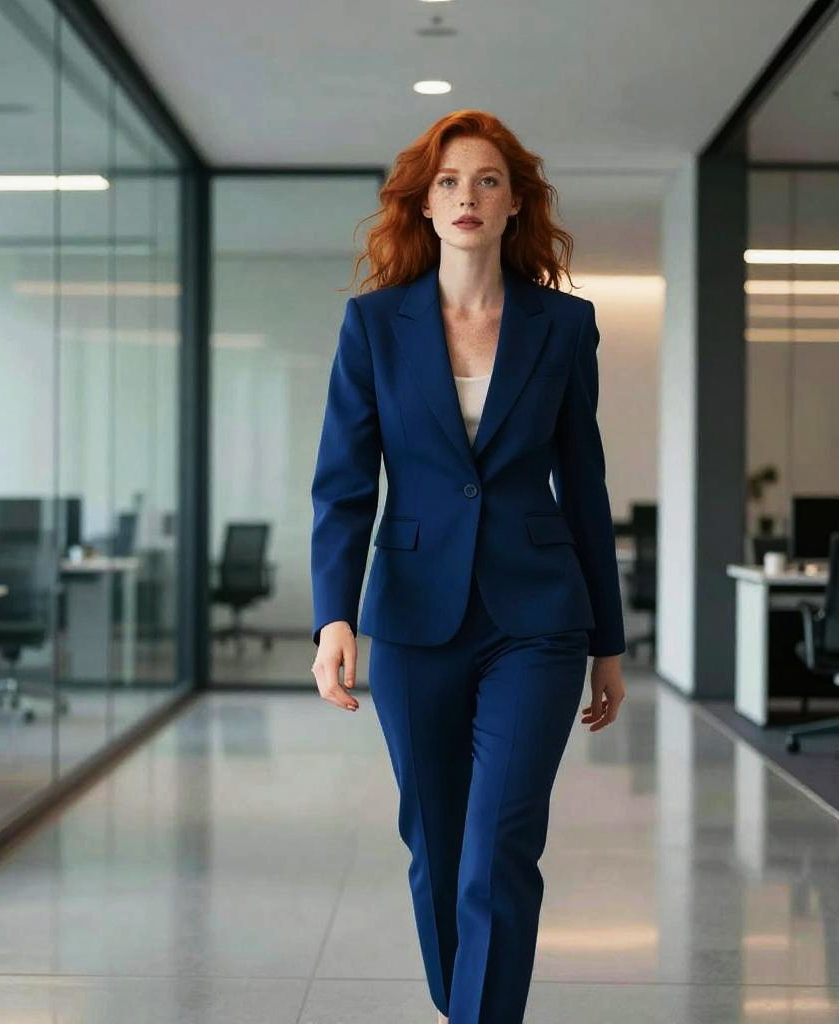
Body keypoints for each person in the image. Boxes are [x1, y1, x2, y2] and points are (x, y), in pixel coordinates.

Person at [309, 109, 627, 1024]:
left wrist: (607, 639)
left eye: (488, 180)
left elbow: (586, 485)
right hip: (412, 617)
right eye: (448, 181)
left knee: (500, 844)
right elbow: (342, 485)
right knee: (437, 842)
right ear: (424, 202)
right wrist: (336, 616)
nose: (467, 197)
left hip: (538, 619)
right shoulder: (373, 326)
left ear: (517, 203)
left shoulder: (565, 327)